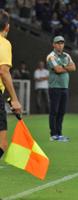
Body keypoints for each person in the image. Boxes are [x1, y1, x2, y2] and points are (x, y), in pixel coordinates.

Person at [0, 9, 22, 159]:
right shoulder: (4, 43)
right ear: (7, 26)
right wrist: (14, 99)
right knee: (1, 144)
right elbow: (3, 71)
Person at [46, 35, 76, 142]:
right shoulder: (51, 56)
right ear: (53, 44)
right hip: (55, 87)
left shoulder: (66, 55)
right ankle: (53, 134)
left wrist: (62, 67)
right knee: (54, 111)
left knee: (62, 111)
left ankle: (59, 133)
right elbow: (57, 70)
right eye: (58, 43)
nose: (60, 45)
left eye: (62, 43)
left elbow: (74, 67)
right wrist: (66, 68)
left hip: (64, 87)